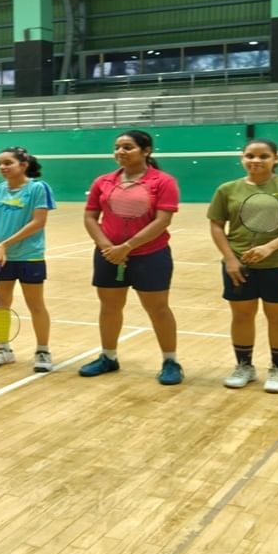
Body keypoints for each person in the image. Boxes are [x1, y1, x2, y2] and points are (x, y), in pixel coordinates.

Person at [207, 138, 278, 394]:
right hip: (239, 266)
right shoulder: (227, 189)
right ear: (242, 158)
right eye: (250, 156)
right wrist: (230, 259)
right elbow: (216, 225)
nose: (256, 161)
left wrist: (270, 247)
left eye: (264, 156)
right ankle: (244, 366)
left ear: (276, 159)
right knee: (242, 316)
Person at [79, 130, 181, 384]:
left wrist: (126, 247)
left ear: (146, 151)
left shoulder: (163, 181)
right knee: (110, 307)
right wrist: (106, 247)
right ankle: (108, 357)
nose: (120, 152)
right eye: (117, 147)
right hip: (108, 255)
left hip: (151, 255)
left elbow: (163, 220)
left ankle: (170, 361)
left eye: (127, 147)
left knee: (158, 309)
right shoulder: (103, 181)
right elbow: (91, 216)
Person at [0, 147, 55, 372]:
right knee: (1, 304)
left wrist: (5, 244)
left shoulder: (38, 188)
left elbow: (38, 222)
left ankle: (43, 351)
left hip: (29, 257)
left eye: (7, 163)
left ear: (23, 165)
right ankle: (3, 350)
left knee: (36, 305)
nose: (2, 167)